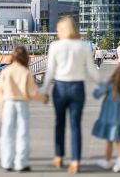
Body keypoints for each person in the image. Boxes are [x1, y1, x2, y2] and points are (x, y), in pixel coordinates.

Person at [41, 16, 100, 173]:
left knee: (59, 123)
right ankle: (75, 161)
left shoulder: (55, 46)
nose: (57, 32)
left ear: (64, 30)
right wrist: (102, 84)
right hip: (77, 88)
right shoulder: (83, 46)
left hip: (60, 87)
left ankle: (59, 156)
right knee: (75, 125)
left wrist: (44, 91)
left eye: (59, 29)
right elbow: (92, 69)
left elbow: (50, 71)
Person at [0, 46, 48, 172]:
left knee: (7, 134)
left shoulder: (6, 71)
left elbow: (0, 91)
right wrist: (43, 99)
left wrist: (0, 108)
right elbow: (32, 92)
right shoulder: (25, 72)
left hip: (8, 102)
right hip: (21, 103)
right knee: (22, 133)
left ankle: (7, 162)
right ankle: (21, 163)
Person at [92, 62, 120, 173]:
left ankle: (108, 161)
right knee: (119, 141)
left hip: (109, 117)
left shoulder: (110, 84)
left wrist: (97, 87)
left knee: (109, 141)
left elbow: (97, 94)